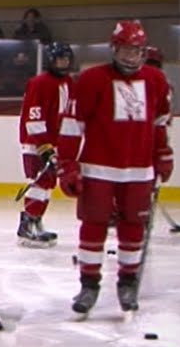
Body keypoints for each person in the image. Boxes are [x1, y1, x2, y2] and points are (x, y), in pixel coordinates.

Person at [56, 20, 173, 316]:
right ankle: (89, 284)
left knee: (133, 227)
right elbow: (72, 125)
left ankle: (128, 281)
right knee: (93, 226)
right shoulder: (92, 79)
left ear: (144, 51)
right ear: (114, 49)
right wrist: (68, 165)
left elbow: (160, 123)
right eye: (124, 49)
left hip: (139, 170)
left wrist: (163, 154)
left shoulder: (156, 81)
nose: (130, 56)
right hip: (98, 169)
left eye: (136, 50)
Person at [15, 41, 74, 247]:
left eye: (66, 59)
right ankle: (27, 225)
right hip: (35, 142)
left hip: (53, 142)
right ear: (51, 60)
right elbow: (34, 118)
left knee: (48, 183)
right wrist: (43, 146)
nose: (63, 63)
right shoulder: (40, 83)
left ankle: (36, 221)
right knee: (39, 181)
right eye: (60, 59)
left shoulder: (68, 82)